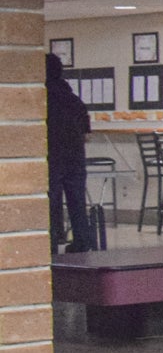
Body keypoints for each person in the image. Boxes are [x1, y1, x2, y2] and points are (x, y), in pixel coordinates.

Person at [45, 54, 94, 253]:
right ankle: (82, 241)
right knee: (77, 202)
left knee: (52, 202)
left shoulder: (42, 98)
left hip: (53, 157)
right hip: (75, 157)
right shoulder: (74, 99)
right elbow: (85, 132)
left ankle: (52, 242)